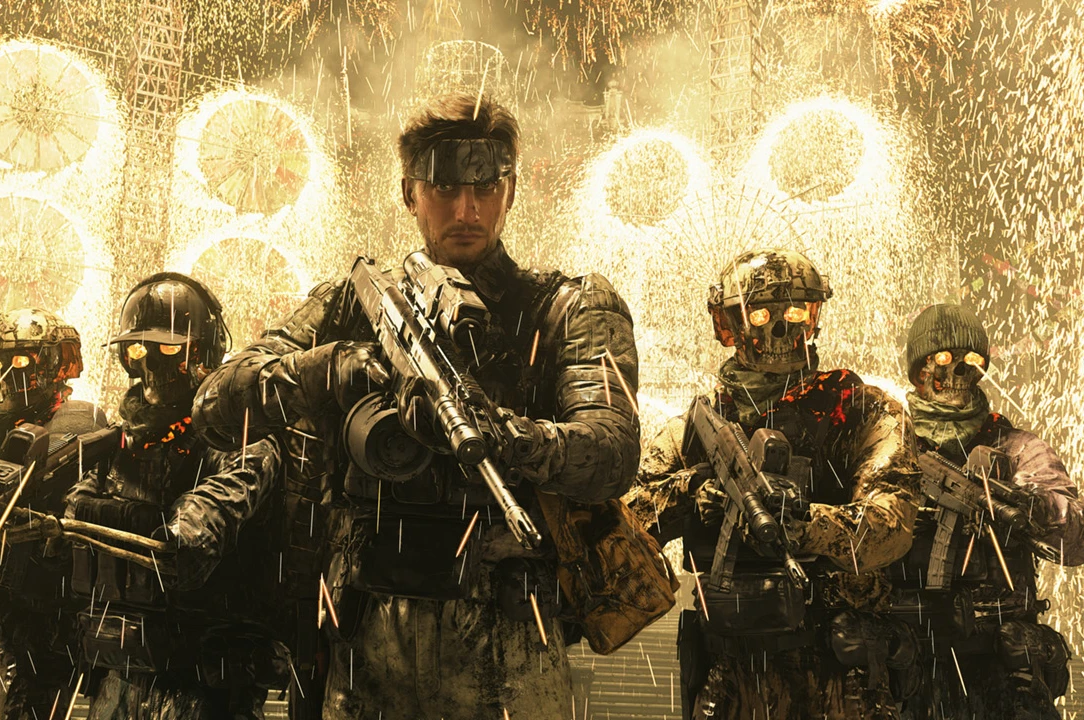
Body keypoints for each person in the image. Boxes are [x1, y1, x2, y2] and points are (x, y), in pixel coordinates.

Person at [192, 92, 641, 718]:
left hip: (510, 630)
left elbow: (612, 454)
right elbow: (216, 406)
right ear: (410, 193)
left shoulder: (565, 307)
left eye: (485, 187)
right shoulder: (355, 304)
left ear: (511, 191)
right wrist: (328, 369)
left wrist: (503, 434)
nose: (466, 209)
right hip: (366, 627)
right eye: (444, 187)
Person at [625, 249, 922, 720]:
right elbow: (628, 523)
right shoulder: (697, 429)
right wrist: (693, 493)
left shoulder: (858, 410)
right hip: (731, 669)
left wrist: (805, 524)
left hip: (837, 669)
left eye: (796, 312)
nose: (782, 329)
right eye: (762, 315)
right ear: (728, 325)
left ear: (814, 317)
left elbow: (892, 525)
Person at [63, 273, 290, 720]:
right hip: (125, 672)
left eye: (168, 350)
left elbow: (209, 518)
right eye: (138, 350)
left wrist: (176, 530)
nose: (152, 365)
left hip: (205, 681)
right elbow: (74, 507)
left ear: (202, 353)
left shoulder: (241, 439)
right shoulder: (121, 442)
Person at [892, 304, 1082, 719]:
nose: (958, 371)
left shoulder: (1016, 447)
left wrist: (1030, 503)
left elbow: (1074, 540)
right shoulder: (891, 442)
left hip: (999, 652)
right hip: (913, 651)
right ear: (919, 371)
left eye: (971, 360)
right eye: (944, 359)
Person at [0, 307, 108, 720]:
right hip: (1, 624)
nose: (6, 374)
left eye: (20, 361)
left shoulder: (76, 422)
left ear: (51, 363)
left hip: (47, 625)